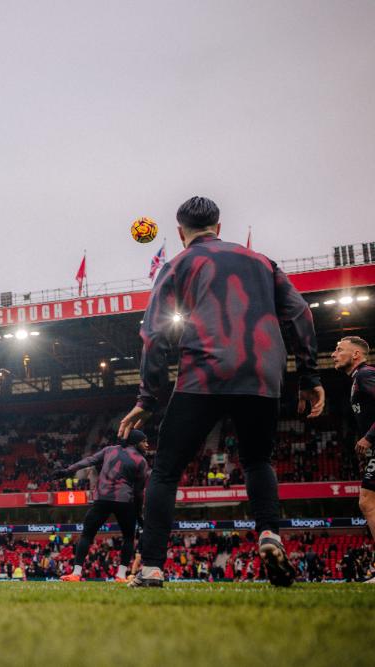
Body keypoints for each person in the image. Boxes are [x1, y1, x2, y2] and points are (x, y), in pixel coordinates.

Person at [119, 196, 323, 588]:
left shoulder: (177, 264)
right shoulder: (262, 261)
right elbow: (301, 313)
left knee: (164, 471)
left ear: (181, 232)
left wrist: (148, 397)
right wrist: (310, 377)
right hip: (263, 373)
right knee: (258, 460)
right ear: (219, 225)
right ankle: (269, 534)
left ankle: (150, 568)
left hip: (206, 372)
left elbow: (155, 333)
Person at [51, 430, 150, 582]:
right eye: (144, 441)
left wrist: (67, 471)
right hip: (124, 501)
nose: (147, 444)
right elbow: (138, 492)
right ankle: (121, 575)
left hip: (102, 499)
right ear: (136, 442)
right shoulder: (141, 461)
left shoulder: (110, 450)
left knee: (87, 535)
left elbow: (89, 460)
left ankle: (76, 573)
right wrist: (139, 514)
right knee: (129, 538)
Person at [330, 335, 375, 583]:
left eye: (339, 350)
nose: (334, 354)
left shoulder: (365, 375)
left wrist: (369, 437)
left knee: (367, 503)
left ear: (355, 355)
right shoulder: (358, 379)